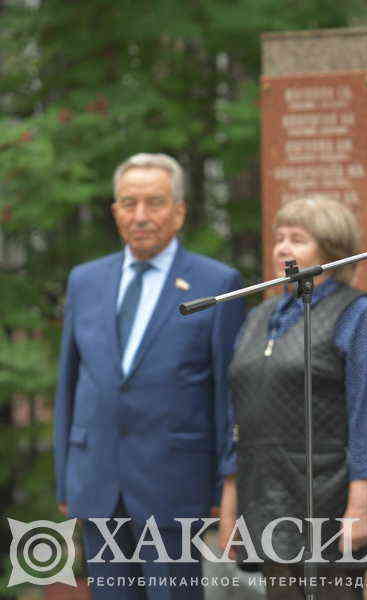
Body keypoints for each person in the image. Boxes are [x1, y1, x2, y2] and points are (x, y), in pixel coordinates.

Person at [53, 153, 246, 599]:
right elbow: (70, 383)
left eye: (155, 203)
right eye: (128, 203)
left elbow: (228, 395)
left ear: (179, 211)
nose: (141, 216)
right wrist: (66, 477)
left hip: (176, 485)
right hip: (99, 480)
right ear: (115, 211)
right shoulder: (85, 280)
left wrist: (228, 481)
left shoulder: (218, 283)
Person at [220, 196, 367, 600]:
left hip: (328, 495)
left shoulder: (358, 312)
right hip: (263, 491)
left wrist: (361, 506)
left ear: (331, 250)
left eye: (297, 239)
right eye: (279, 239)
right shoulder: (258, 318)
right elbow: (238, 415)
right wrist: (230, 504)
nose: (282, 248)